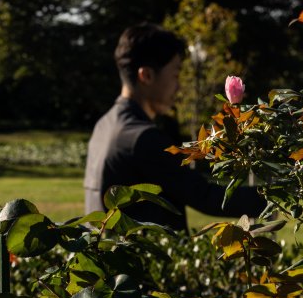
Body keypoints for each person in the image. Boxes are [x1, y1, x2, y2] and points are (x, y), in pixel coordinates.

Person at [83, 23, 265, 230]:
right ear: (147, 76)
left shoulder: (104, 126)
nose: (179, 86)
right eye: (176, 74)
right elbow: (206, 197)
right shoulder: (142, 138)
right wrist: (276, 194)